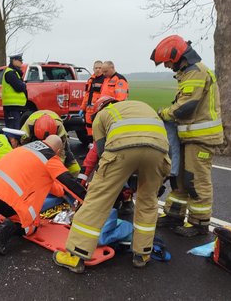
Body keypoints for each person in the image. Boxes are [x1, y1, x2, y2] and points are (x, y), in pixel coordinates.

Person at [54, 97, 170, 273]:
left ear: (99, 108)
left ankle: (75, 255)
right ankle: (143, 253)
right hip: (158, 151)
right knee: (148, 202)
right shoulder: (141, 106)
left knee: (97, 201)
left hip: (121, 150)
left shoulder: (102, 115)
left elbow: (102, 153)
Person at [151, 35, 223, 237]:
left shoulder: (196, 72)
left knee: (195, 179)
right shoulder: (187, 73)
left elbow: (186, 107)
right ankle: (174, 214)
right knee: (179, 179)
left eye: (167, 61)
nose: (166, 65)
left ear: (177, 56)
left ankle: (199, 222)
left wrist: (164, 113)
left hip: (201, 138)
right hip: (188, 136)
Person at [0, 135, 87, 255]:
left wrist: (61, 192)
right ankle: (2, 231)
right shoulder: (50, 158)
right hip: (5, 199)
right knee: (31, 226)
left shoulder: (25, 148)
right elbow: (68, 182)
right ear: (58, 151)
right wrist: (87, 199)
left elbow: (46, 181)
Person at [20, 110, 80, 176]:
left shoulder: (60, 129)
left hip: (56, 135)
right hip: (33, 134)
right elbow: (22, 146)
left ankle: (74, 178)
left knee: (72, 164)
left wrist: (56, 172)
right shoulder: (28, 128)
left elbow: (61, 154)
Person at [2, 54, 28, 129]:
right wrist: (24, 85)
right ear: (14, 61)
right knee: (13, 130)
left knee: (16, 129)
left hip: (15, 107)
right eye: (20, 60)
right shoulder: (10, 73)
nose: (21, 63)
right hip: (12, 108)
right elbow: (19, 87)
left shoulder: (15, 72)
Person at [79, 60, 105, 137]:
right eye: (96, 68)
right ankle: (91, 144)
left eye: (100, 68)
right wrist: (82, 108)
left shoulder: (105, 80)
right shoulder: (90, 80)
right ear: (93, 69)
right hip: (89, 109)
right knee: (89, 127)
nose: (98, 69)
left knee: (99, 128)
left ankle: (98, 146)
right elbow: (86, 95)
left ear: (103, 68)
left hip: (99, 109)